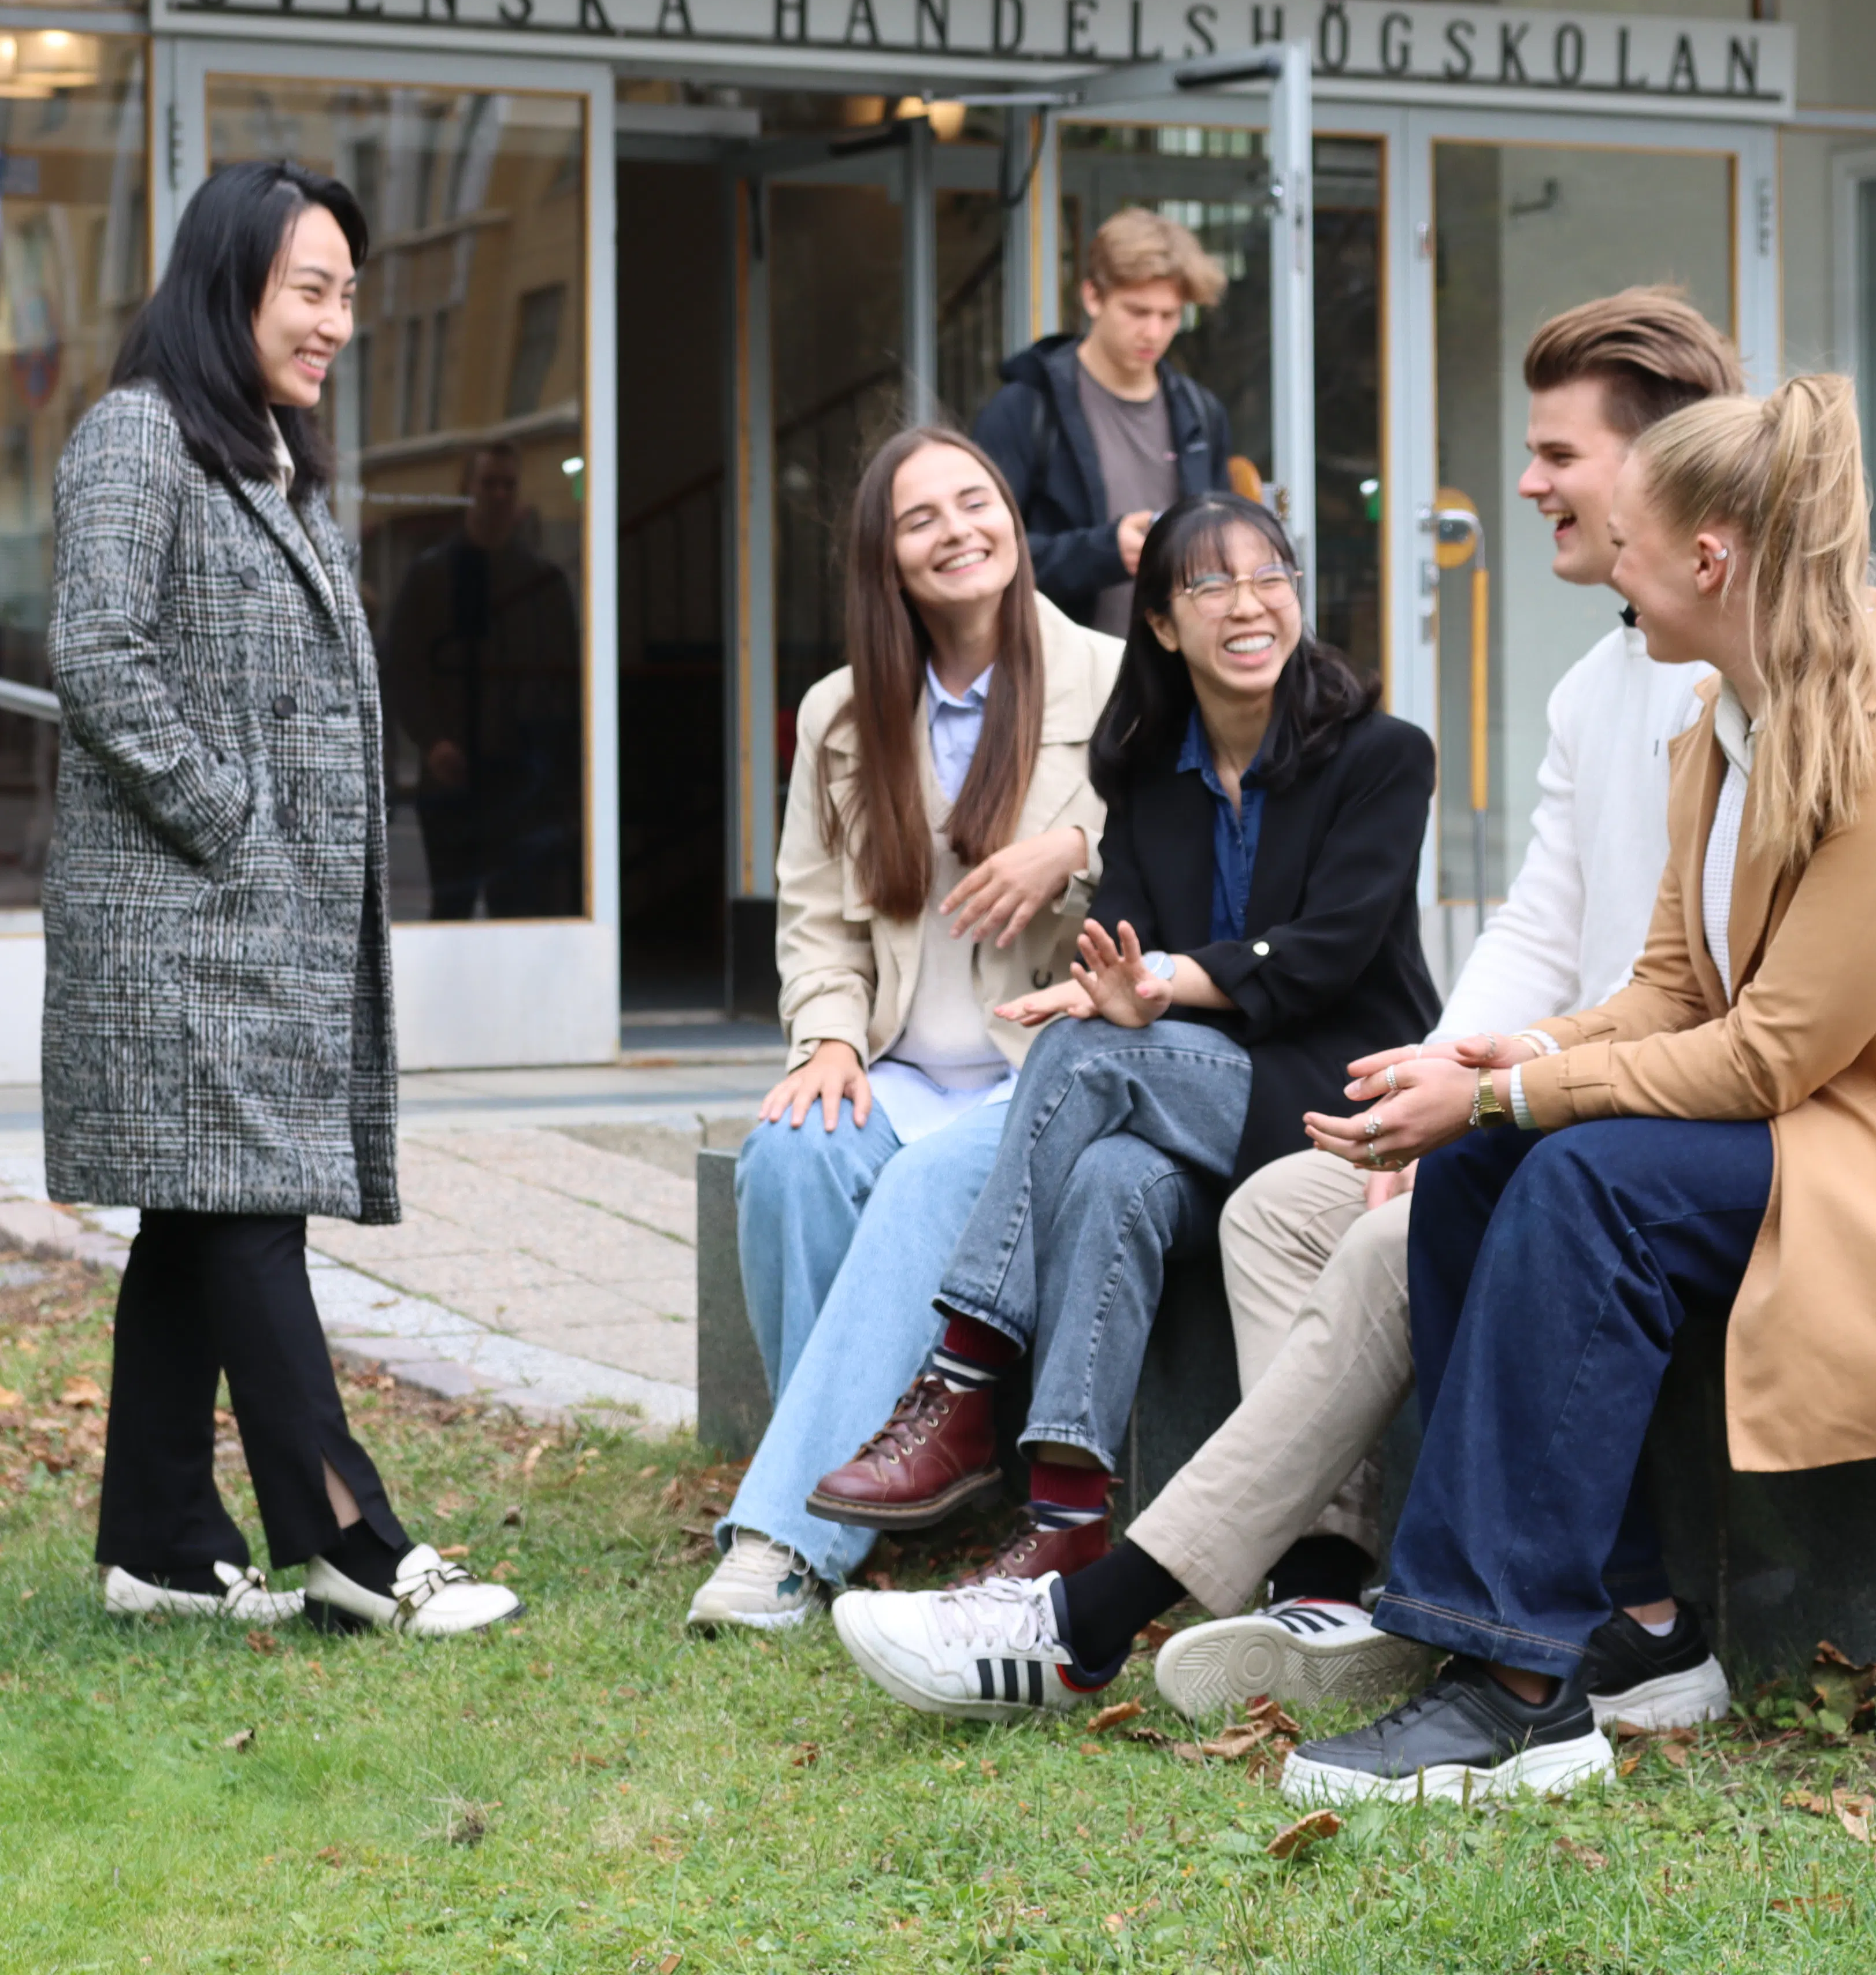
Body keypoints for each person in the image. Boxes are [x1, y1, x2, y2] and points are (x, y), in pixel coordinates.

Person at [828, 288, 1752, 1733]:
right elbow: (1546, 929)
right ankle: (1312, 1564)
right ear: (1166, 623)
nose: (1521, 482)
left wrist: (1480, 1090)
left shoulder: (1747, 684)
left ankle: (1078, 1594)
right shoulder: (1590, 685)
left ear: (1663, 463)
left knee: (1418, 1201)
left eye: (1555, 453)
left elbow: (1710, 994)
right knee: (1232, 1193)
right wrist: (1436, 1087)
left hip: (1604, 1111)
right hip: (1498, 1091)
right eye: (1211, 585)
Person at [1284, 373, 1876, 1802]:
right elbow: (1674, 989)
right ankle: (1629, 1630)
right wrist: (1515, 1057)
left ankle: (1517, 1687)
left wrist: (1525, 1099)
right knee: (1481, 1167)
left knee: (1584, 1178)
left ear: (1710, 560)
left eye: (1627, 536)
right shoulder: (1722, 714)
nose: (1605, 560)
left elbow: (1771, 1051)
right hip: (1837, 1118)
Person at [810, 493, 1440, 1663]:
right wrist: (1113, 990)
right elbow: (1130, 958)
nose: (1249, 603)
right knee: (1107, 1172)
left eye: (1271, 575)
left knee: (1090, 1052)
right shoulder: (1144, 774)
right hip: (1200, 1110)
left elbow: (1329, 953)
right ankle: (1064, 1520)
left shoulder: (1381, 755)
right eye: (1211, 584)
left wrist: (1152, 993)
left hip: (1341, 1088)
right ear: (1160, 624)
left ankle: (962, 1374)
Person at [46, 155, 516, 1642]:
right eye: (311, 289)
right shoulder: (138, 436)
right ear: (226, 284)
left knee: (200, 1221)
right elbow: (97, 651)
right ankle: (349, 1537)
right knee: (248, 1219)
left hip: (253, 927)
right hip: (185, 923)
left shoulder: (265, 450)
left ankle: (163, 1541)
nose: (338, 321)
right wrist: (233, 819)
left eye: (349, 294)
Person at [689, 426, 1130, 1633]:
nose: (958, 531)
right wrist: (827, 1041)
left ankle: (786, 1536)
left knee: (930, 1179)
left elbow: (1162, 879)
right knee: (791, 1154)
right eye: (920, 517)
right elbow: (815, 918)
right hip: (896, 1058)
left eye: (975, 502)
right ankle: (866, 1488)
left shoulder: (1112, 680)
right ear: (885, 558)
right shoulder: (842, 711)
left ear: (1015, 519)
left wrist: (1073, 850)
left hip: (1041, 1066)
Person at [972, 209, 1236, 633]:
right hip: (1061, 676)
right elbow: (982, 557)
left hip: (1181, 672)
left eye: (1169, 316)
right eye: (1137, 311)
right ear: (1092, 297)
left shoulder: (1201, 412)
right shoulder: (1024, 409)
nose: (1153, 332)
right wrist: (1105, 552)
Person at [378, 440, 585, 920]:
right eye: (488, 483)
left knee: (516, 909)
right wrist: (433, 743)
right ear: (466, 491)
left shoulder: (543, 582)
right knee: (451, 909)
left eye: (508, 485)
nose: (498, 495)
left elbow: (565, 676)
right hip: (451, 774)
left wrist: (561, 773)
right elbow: (406, 668)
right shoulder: (430, 576)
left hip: (522, 776)